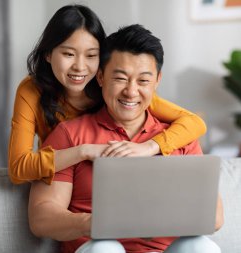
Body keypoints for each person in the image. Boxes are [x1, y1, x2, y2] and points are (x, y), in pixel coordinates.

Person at [28, 24, 224, 253]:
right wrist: (92, 224)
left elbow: (215, 217)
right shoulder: (70, 135)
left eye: (143, 81)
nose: (131, 92)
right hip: (98, 248)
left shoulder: (180, 137)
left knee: (200, 246)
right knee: (105, 249)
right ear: (100, 77)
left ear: (157, 81)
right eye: (120, 79)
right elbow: (41, 217)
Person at [8, 4, 207, 185]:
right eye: (68, 54)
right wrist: (84, 151)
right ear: (48, 54)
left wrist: (150, 147)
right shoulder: (32, 90)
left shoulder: (117, 88)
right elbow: (18, 168)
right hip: (60, 179)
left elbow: (194, 122)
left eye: (91, 55)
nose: (79, 67)